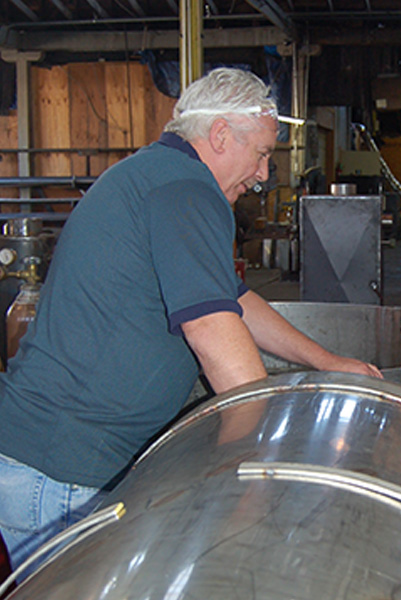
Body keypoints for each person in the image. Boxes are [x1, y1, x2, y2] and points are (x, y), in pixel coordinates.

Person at [0, 67, 381, 574]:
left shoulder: (159, 177)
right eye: (263, 153)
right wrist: (265, 460)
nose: (264, 174)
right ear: (221, 135)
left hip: (56, 460)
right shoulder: (186, 189)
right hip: (65, 467)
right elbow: (212, 330)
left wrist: (326, 360)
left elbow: (232, 297)